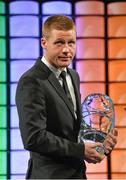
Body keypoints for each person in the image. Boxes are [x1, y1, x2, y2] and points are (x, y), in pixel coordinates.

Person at [16, 15, 118, 179]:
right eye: (59, 43)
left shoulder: (73, 76)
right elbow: (33, 137)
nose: (66, 50)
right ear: (44, 43)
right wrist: (81, 150)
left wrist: (99, 144)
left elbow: (71, 130)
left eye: (71, 43)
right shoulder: (32, 81)